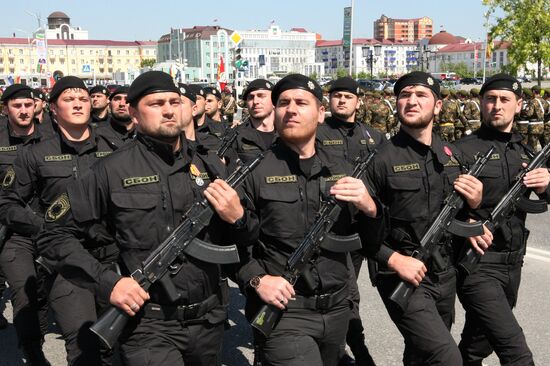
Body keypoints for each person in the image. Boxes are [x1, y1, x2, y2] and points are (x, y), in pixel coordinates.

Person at [37, 71, 243, 366]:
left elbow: (243, 240)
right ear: (133, 112)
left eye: (175, 101)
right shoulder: (110, 170)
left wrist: (240, 219)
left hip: (207, 322)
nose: (169, 109)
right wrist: (109, 283)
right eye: (156, 103)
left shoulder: (209, 165)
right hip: (148, 324)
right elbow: (53, 235)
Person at [234, 74, 385, 366]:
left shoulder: (343, 169)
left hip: (336, 310)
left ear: (320, 113)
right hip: (284, 312)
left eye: (301, 102)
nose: (291, 109)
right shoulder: (253, 172)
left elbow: (371, 242)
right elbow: (229, 243)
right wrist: (256, 279)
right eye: (283, 103)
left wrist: (371, 209)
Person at [365, 71, 487, 365]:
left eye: (421, 95)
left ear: (438, 106)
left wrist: (474, 210)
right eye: (405, 95)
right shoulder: (380, 160)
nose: (412, 101)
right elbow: (356, 227)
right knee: (446, 357)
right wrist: (394, 260)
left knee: (421, 355)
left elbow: (465, 211)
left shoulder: (452, 155)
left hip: (445, 273)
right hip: (402, 272)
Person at [0, 76, 118, 365]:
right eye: (68, 99)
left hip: (108, 257)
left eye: (82, 98)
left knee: (114, 344)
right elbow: (7, 202)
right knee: (83, 344)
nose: (78, 103)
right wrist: (48, 229)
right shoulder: (35, 152)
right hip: (64, 262)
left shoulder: (115, 148)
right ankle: (32, 349)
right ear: (52, 108)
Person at [455, 73, 550, 366]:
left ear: (518, 105)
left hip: (513, 263)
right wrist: (468, 219)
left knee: (476, 345)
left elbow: (542, 202)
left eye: (504, 100)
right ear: (481, 104)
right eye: (490, 99)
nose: (496, 105)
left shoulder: (526, 153)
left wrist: (546, 185)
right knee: (516, 352)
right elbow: (437, 206)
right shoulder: (462, 151)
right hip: (479, 265)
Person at [316, 76, 382, 366]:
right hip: (332, 227)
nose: (341, 100)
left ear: (358, 101)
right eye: (336, 95)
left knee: (350, 293)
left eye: (348, 96)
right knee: (345, 293)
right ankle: (355, 350)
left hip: (364, 226)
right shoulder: (316, 133)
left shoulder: (374, 136)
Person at [0, 84, 49, 358]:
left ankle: (36, 339)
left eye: (28, 105)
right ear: (6, 109)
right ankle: (33, 352)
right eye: (16, 106)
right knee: (23, 290)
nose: (23, 111)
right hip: (12, 232)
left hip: (48, 228)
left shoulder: (51, 140)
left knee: (43, 293)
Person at [231, 79, 277, 163]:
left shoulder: (287, 134)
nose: (255, 101)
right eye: (251, 97)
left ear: (274, 101)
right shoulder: (236, 136)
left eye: (261, 96)